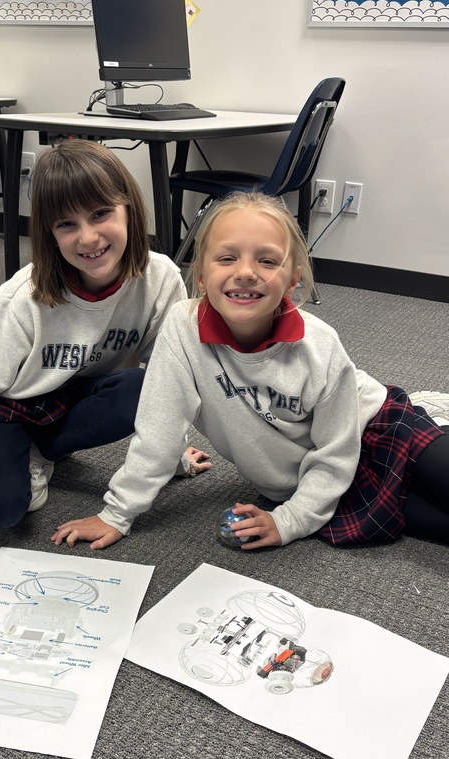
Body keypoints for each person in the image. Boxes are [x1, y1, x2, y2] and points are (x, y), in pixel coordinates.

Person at [52, 190, 449, 551]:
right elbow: (159, 428)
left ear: (293, 279)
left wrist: (290, 521)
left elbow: (337, 450)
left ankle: (429, 415)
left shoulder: (320, 344)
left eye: (267, 260)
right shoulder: (182, 328)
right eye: (227, 258)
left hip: (375, 428)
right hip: (306, 483)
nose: (245, 271)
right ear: (203, 276)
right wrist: (116, 514)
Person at [0, 140, 209, 532]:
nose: (88, 238)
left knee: (143, 386)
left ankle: (44, 449)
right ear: (49, 233)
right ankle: (15, 447)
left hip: (80, 395)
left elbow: (171, 379)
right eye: (67, 224)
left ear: (129, 209)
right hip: (11, 406)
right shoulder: (23, 297)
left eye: (101, 214)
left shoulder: (161, 277)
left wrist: (173, 453)